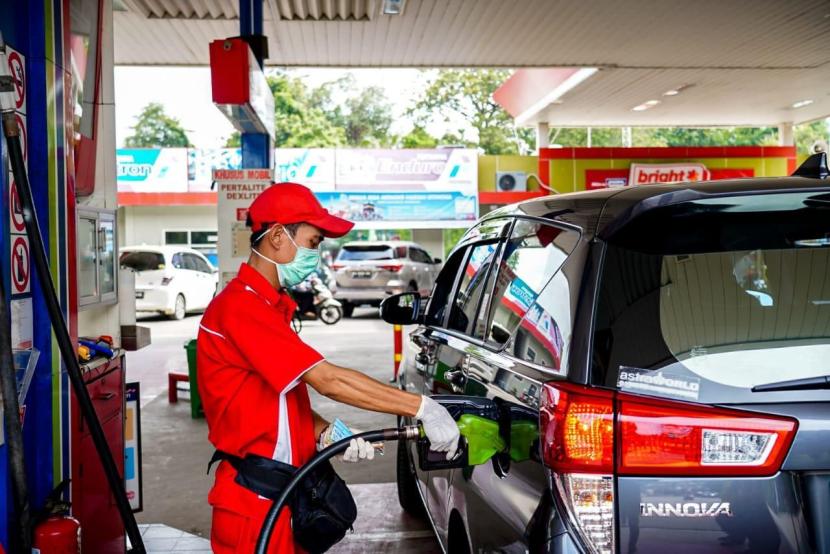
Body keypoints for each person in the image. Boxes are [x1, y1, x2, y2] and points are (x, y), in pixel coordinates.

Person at [197, 182, 460, 553]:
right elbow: (327, 379)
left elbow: (277, 400)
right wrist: (420, 407)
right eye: (313, 241)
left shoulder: (267, 306)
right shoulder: (242, 308)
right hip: (253, 505)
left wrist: (324, 433)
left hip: (281, 495)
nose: (316, 253)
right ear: (276, 236)